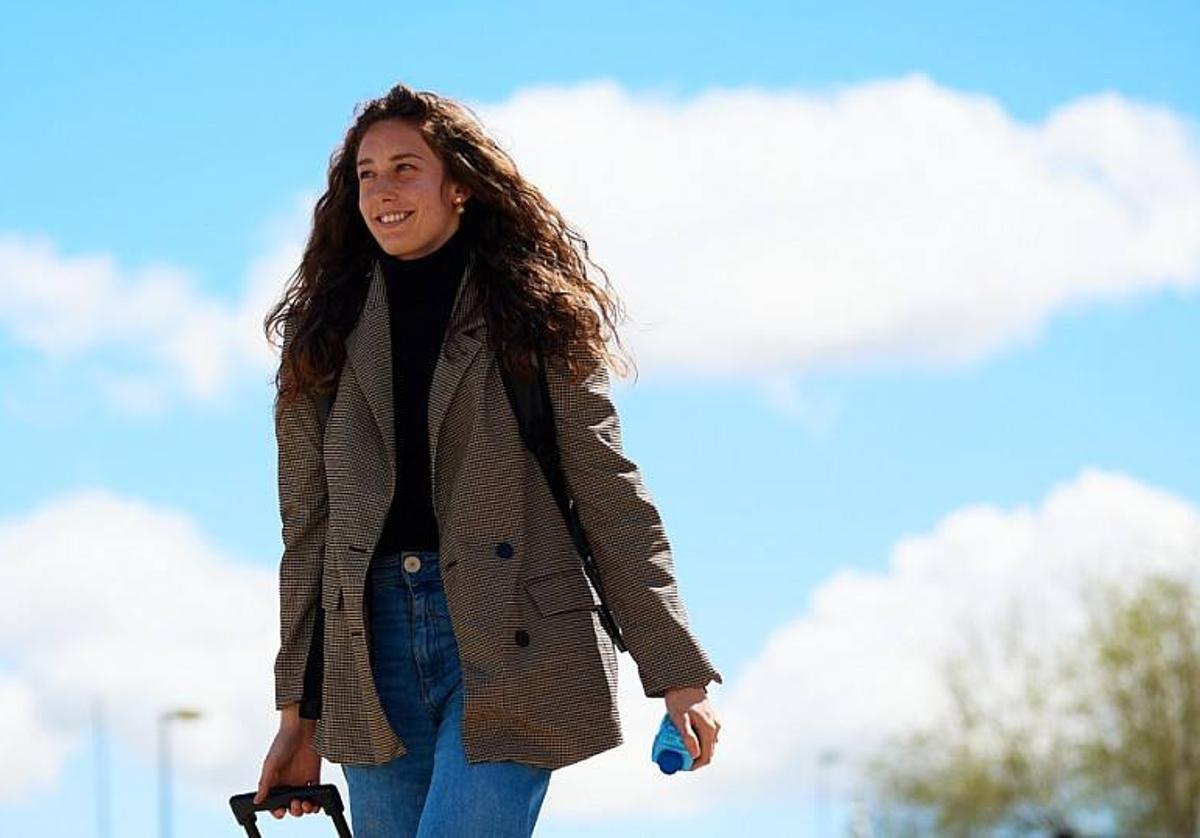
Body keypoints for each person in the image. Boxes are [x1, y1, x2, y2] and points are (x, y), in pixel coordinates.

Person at [253, 83, 723, 837]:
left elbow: (610, 494)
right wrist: (297, 713)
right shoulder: (325, 336)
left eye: (407, 167)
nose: (383, 191)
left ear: (460, 186)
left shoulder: (533, 316)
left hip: (512, 634)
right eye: (366, 174)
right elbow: (308, 531)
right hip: (368, 653)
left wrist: (679, 674)